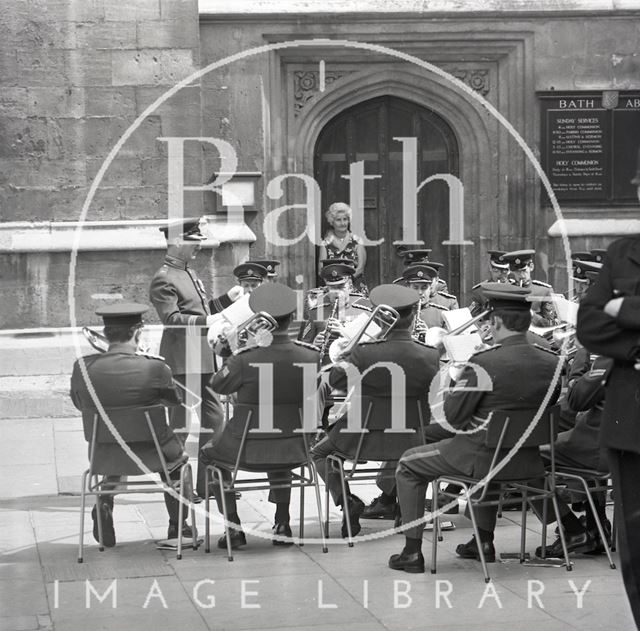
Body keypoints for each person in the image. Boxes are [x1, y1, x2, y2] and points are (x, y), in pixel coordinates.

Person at [389, 282, 560, 573]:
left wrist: (458, 373)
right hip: (527, 461)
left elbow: (454, 418)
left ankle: (411, 552)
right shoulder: (552, 362)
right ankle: (482, 541)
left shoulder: (483, 362)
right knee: (489, 456)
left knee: (407, 464)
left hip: (479, 457)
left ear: (494, 322)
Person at [312, 284, 440, 536]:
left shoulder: (364, 352)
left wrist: (349, 354)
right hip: (410, 438)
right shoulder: (429, 354)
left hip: (359, 438)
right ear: (414, 317)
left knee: (319, 453)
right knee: (410, 457)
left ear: (379, 317)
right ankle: (406, 513)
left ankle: (347, 502)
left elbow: (335, 382)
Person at [200, 283, 321, 549]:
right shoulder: (311, 355)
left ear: (257, 320)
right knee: (281, 457)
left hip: (245, 448)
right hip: (294, 446)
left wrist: (233, 350)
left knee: (209, 455)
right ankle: (282, 523)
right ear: (291, 318)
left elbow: (218, 386)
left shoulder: (244, 358)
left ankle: (233, 528)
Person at [70, 303, 194, 547]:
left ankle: (104, 501)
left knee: (118, 441)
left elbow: (78, 402)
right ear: (138, 332)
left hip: (104, 453)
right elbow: (174, 401)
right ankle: (178, 526)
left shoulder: (82, 367)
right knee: (178, 465)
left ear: (106, 334)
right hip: (153, 453)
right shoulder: (155, 367)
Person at [576, 183, 640, 626]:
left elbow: (611, 317)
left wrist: (626, 308)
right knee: (636, 543)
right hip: (632, 421)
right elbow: (590, 325)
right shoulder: (621, 254)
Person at [149, 217, 243, 498]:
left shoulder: (188, 272)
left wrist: (226, 299)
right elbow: (173, 319)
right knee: (180, 426)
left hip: (203, 358)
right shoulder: (163, 278)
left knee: (215, 421)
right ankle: (177, 485)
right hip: (181, 360)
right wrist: (210, 318)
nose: (198, 248)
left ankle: (209, 483)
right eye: (194, 242)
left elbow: (199, 310)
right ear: (177, 242)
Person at [318, 202, 368, 295]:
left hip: (355, 287)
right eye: (338, 220)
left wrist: (346, 284)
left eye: (345, 219)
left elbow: (361, 268)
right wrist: (335, 284)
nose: (342, 223)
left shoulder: (357, 241)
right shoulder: (325, 244)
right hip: (333, 288)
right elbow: (321, 270)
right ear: (332, 221)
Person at [501, 249, 559, 327]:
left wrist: (530, 313)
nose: (521, 275)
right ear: (512, 271)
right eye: (517, 272)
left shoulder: (544, 291)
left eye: (524, 271)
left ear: (531, 267)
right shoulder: (506, 290)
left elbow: (551, 324)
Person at [468, 250, 510, 316]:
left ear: (509, 270)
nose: (499, 274)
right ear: (490, 268)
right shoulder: (480, 291)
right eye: (496, 270)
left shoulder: (516, 288)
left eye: (504, 271)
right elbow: (473, 319)